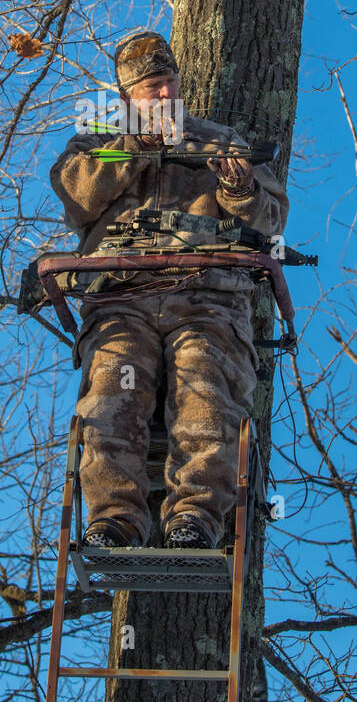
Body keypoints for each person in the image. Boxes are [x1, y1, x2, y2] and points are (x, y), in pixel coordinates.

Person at [49, 30, 289, 550]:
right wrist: (136, 147)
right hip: (121, 299)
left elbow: (270, 222)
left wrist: (240, 190)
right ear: (127, 98)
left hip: (208, 299)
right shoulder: (97, 144)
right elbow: (77, 192)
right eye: (151, 87)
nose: (163, 96)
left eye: (169, 84)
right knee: (112, 391)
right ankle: (114, 520)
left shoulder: (219, 141)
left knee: (206, 387)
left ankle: (196, 517)